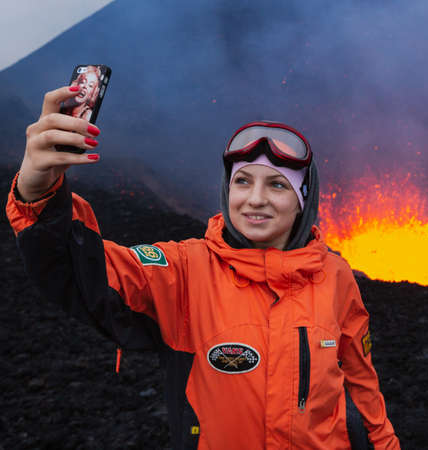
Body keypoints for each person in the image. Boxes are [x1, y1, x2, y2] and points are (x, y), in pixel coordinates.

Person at [6, 86, 401, 449]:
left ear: (304, 198)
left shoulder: (334, 276)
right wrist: (38, 190)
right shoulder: (185, 271)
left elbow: (361, 389)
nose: (255, 199)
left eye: (277, 185)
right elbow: (84, 273)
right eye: (242, 182)